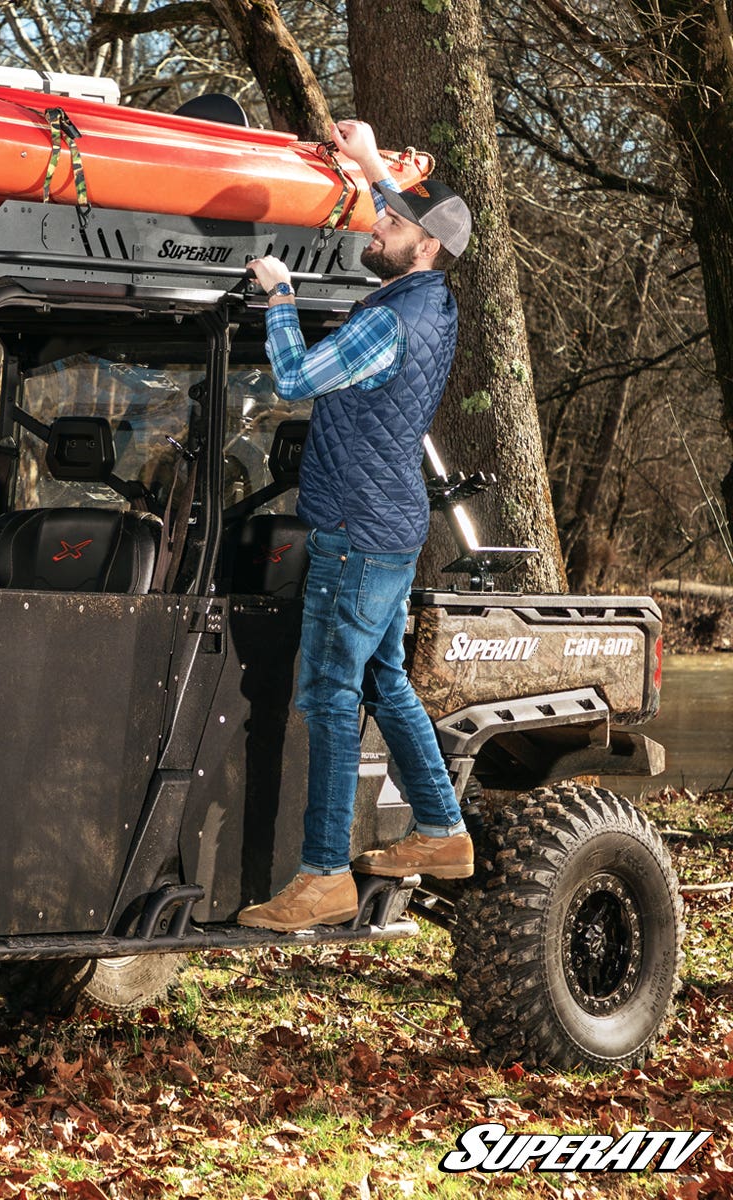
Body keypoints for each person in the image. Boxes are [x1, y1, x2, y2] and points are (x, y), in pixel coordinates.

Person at [235, 120, 475, 933]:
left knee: (330, 695)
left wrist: (278, 292)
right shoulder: (432, 299)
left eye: (392, 223)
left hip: (353, 531)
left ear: (423, 247)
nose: (378, 224)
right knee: (384, 681)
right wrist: (372, 163)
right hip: (394, 526)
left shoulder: (388, 321)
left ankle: (323, 874)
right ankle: (442, 831)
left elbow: (295, 373)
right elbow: (404, 211)